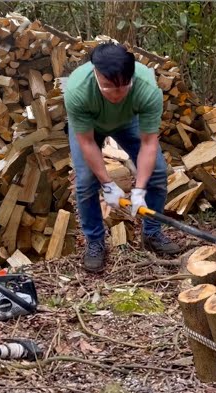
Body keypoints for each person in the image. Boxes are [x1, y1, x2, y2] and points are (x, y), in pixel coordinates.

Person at [63, 43, 181, 273]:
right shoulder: (78, 89)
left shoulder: (147, 87)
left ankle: (152, 233)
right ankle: (95, 242)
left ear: (132, 77)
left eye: (122, 87)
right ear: (96, 73)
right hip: (90, 126)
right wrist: (107, 184)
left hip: (129, 121)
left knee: (157, 172)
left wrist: (138, 189)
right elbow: (86, 142)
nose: (115, 95)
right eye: (108, 87)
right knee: (86, 181)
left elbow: (149, 143)